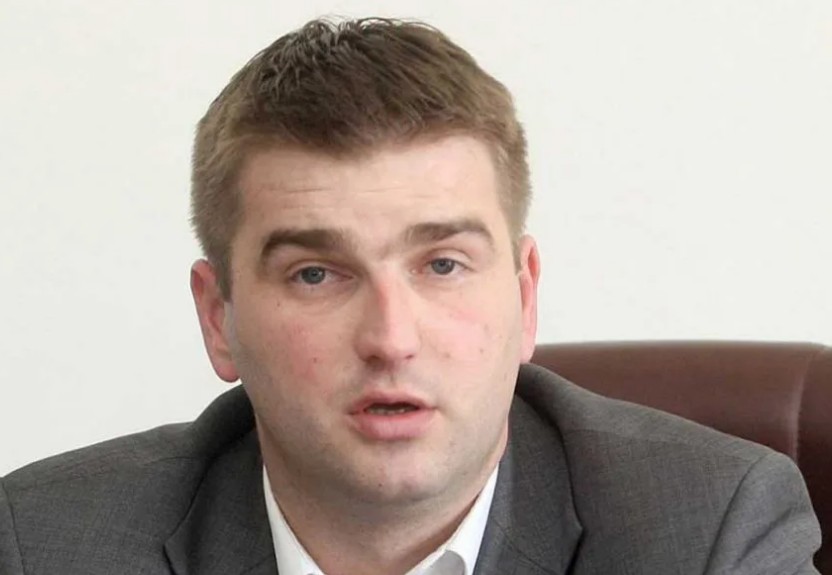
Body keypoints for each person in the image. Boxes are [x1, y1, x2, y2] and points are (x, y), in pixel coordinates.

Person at [0, 17, 821, 575]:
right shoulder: (45, 544)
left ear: (525, 296)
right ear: (219, 317)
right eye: (316, 273)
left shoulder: (710, 533)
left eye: (443, 265)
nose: (391, 338)